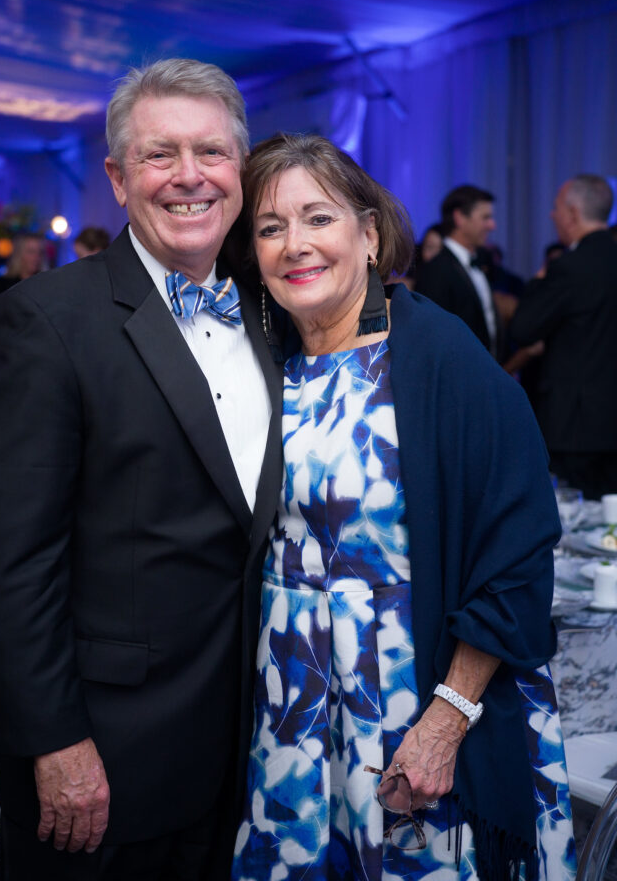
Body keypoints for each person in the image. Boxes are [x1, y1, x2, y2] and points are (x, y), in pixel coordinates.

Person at [0, 58, 283, 880]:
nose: (188, 177)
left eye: (210, 153)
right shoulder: (45, 322)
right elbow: (7, 564)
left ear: (240, 170)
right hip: (109, 755)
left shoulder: (278, 311)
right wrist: (55, 741)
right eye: (158, 154)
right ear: (116, 176)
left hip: (260, 748)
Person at [231, 134, 575, 881]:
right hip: (293, 716)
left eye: (318, 218)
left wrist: (446, 719)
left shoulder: (436, 358)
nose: (296, 244)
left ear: (370, 232)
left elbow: (517, 548)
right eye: (270, 227)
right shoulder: (268, 365)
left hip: (411, 708)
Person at [511, 174, 617, 499]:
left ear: (572, 213)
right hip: (610, 418)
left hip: (576, 423)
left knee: (575, 519)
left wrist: (539, 280)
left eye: (556, 207)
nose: (551, 215)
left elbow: (523, 329)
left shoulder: (571, 267)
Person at [415, 185, 500, 357]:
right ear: (460, 217)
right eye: (485, 217)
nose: (492, 225)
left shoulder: (482, 262)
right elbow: (433, 337)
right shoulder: (437, 270)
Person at [0, 232, 47, 304]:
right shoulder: (4, 286)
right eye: (31, 252)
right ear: (19, 254)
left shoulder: (45, 286)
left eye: (40, 252)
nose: (36, 257)